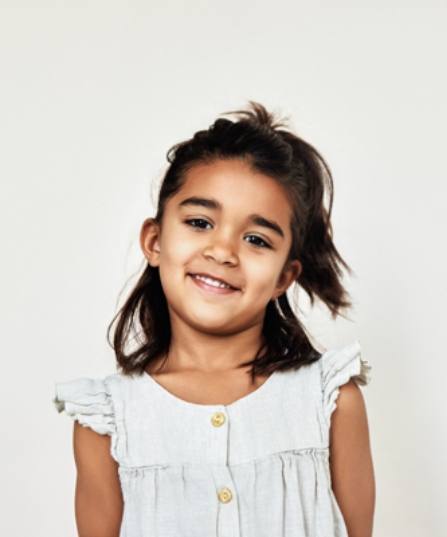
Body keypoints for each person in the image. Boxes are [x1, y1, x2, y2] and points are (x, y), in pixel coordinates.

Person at [54, 103, 375, 537]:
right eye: (200, 222)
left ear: (284, 276)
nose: (223, 251)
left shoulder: (329, 404)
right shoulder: (110, 421)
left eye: (256, 239)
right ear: (154, 241)